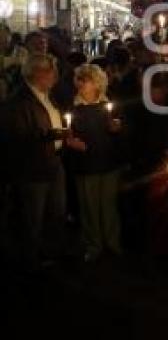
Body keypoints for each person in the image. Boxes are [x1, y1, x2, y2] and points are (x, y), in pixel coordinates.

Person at [1, 53, 75, 269]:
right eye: (51, 73)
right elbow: (17, 137)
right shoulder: (18, 102)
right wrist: (51, 135)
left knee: (57, 212)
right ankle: (30, 260)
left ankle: (51, 252)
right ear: (37, 73)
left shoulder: (47, 96)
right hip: (33, 169)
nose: (54, 77)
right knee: (33, 216)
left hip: (54, 163)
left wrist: (64, 138)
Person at [66, 64, 123, 262]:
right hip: (85, 165)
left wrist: (117, 129)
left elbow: (120, 136)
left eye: (86, 79)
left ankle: (112, 242)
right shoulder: (73, 108)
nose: (81, 83)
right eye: (79, 79)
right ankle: (93, 244)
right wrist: (70, 142)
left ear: (97, 83)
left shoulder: (108, 105)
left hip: (108, 164)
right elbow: (67, 136)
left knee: (109, 206)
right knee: (88, 207)